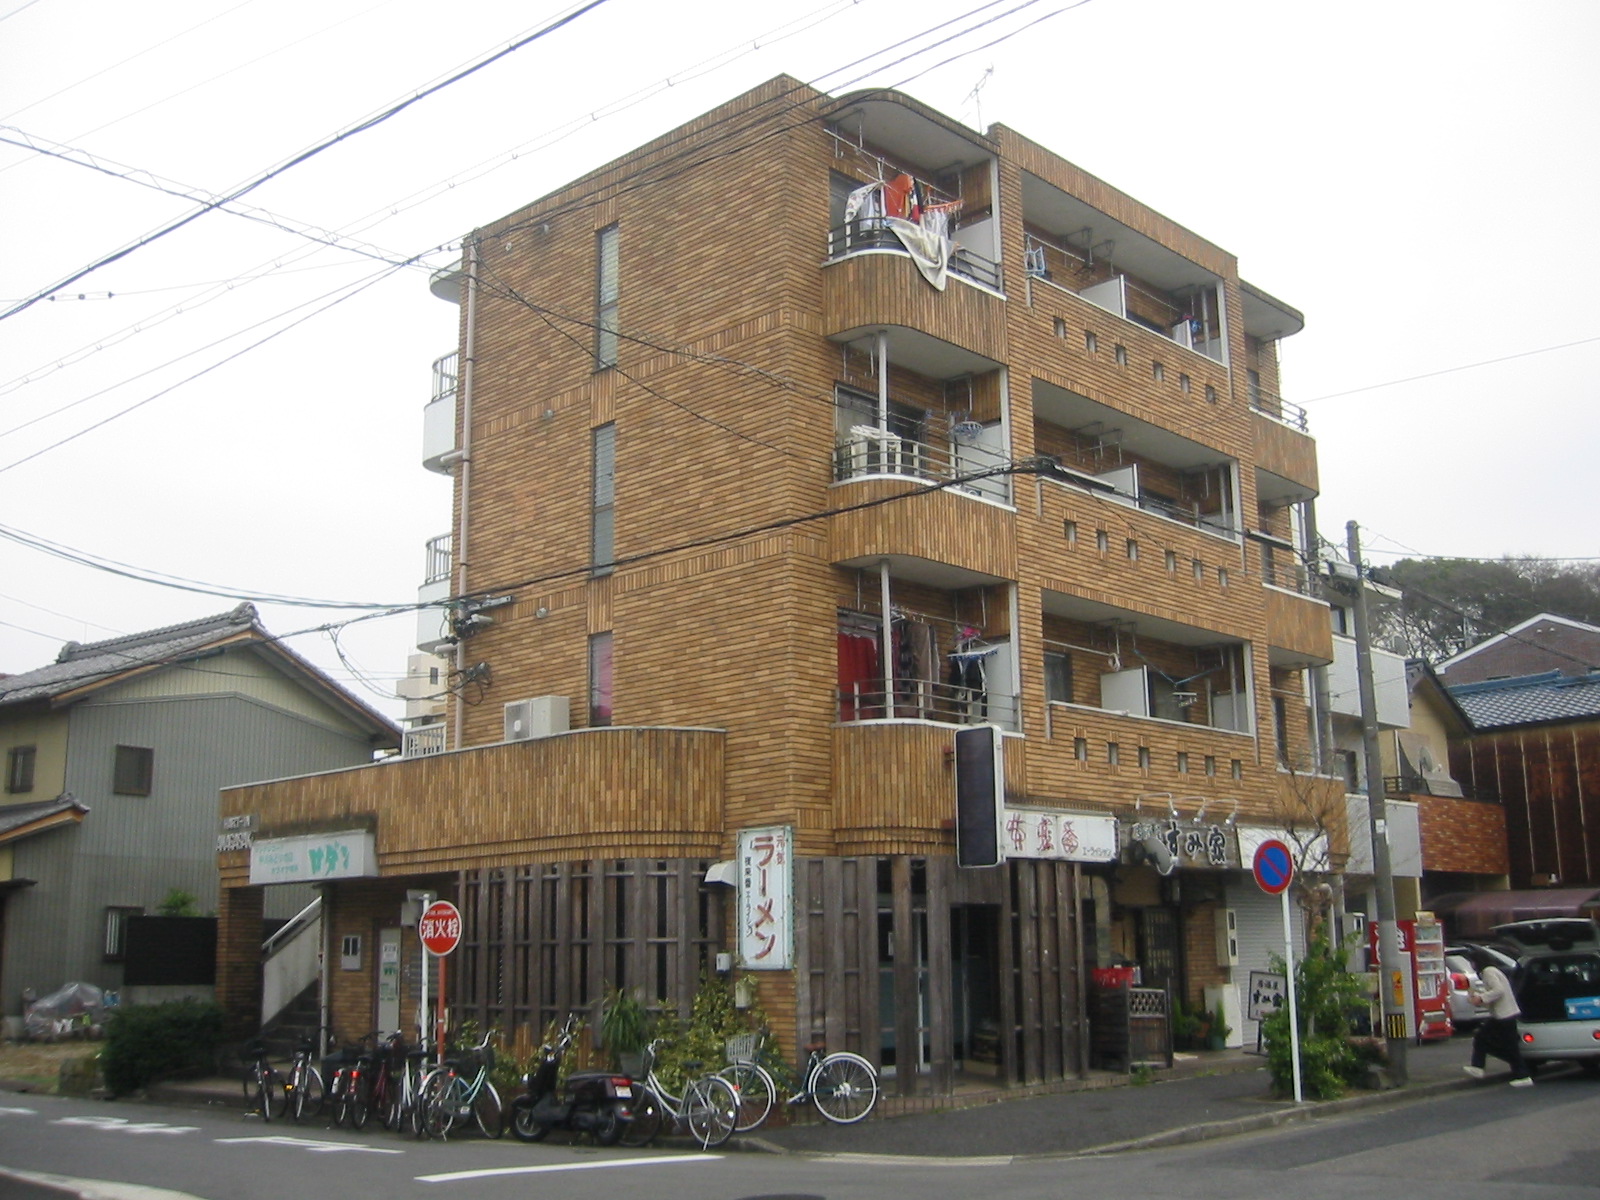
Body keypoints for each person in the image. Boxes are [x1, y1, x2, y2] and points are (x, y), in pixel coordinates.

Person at [1464, 963, 1533, 1087]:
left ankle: (1523, 1074)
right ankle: (1479, 1067)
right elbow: (1495, 996)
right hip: (1504, 1014)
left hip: (1504, 1015)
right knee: (1493, 1041)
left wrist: (1481, 998)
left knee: (1485, 1038)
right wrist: (1479, 999)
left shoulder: (1488, 971)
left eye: (1472, 963)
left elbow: (1498, 991)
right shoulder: (1492, 971)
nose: (1472, 966)